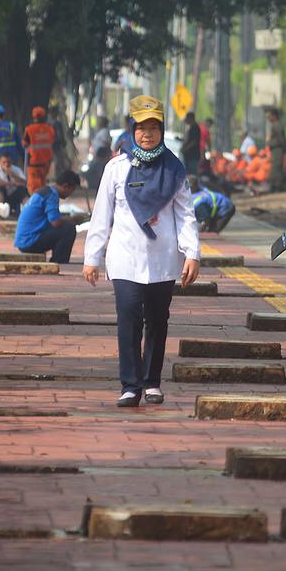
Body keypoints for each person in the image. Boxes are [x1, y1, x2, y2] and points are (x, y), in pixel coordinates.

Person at [83, 95, 200, 408]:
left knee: (158, 321)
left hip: (162, 260)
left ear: (162, 130)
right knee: (129, 319)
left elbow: (186, 214)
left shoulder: (174, 170)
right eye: (141, 128)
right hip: (125, 259)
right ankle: (130, 385)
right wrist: (92, 257)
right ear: (132, 130)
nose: (147, 134)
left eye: (153, 128)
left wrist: (192, 253)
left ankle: (152, 382)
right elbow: (102, 214)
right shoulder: (116, 169)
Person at [15, 169, 84, 263]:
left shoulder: (46, 191)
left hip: (24, 240)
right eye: (71, 191)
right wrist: (73, 219)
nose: (70, 194)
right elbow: (55, 222)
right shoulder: (52, 195)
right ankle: (59, 261)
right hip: (29, 241)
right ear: (65, 186)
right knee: (69, 228)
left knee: (65, 226)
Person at [22, 106, 57, 194]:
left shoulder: (29, 129)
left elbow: (24, 144)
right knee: (43, 184)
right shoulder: (50, 129)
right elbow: (53, 141)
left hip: (34, 163)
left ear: (33, 117)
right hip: (46, 163)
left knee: (33, 188)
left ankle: (36, 204)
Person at [267, 109, 286, 191]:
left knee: (276, 168)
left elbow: (281, 140)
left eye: (270, 116)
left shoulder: (277, 125)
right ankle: (275, 186)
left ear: (274, 116)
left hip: (278, 150)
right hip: (275, 150)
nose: (268, 118)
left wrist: (271, 143)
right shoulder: (275, 125)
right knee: (274, 168)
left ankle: (278, 186)